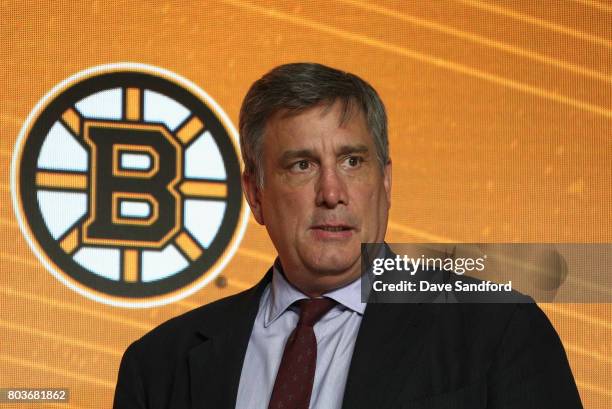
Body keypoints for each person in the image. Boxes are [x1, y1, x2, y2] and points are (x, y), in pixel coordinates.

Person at [113, 63, 582, 409]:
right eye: (302, 165)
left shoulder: (498, 330)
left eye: (353, 161)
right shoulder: (159, 366)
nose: (332, 192)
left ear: (386, 182)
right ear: (255, 194)